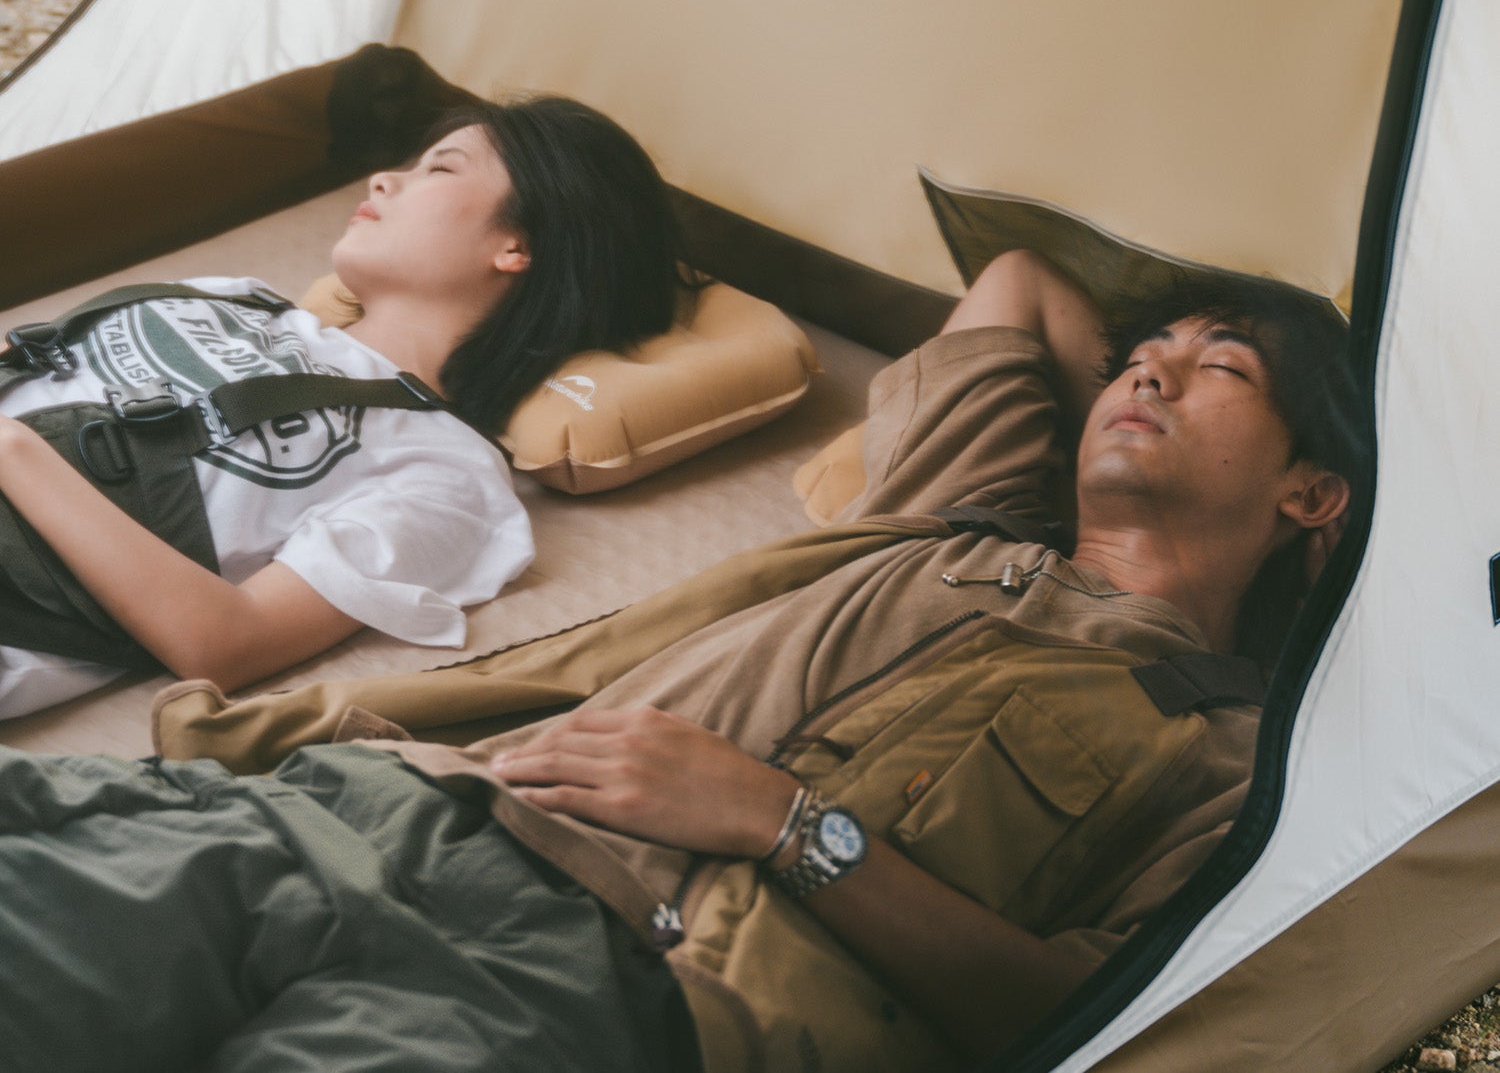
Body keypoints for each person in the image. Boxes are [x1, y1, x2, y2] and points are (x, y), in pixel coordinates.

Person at [0, 250, 1365, 1071]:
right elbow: (1018, 289)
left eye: (1220, 369)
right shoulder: (957, 516)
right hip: (380, 809)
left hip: (595, 983)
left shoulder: (1236, 760)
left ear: (1314, 494)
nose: (1146, 376)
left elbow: (1095, 1006)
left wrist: (793, 831)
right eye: (1141, 357)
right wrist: (1138, 406)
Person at [0, 93, 685, 719]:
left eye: (439, 170)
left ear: (518, 246)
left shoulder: (444, 475)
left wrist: (15, 452)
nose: (384, 179)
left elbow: (226, 644)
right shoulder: (230, 296)